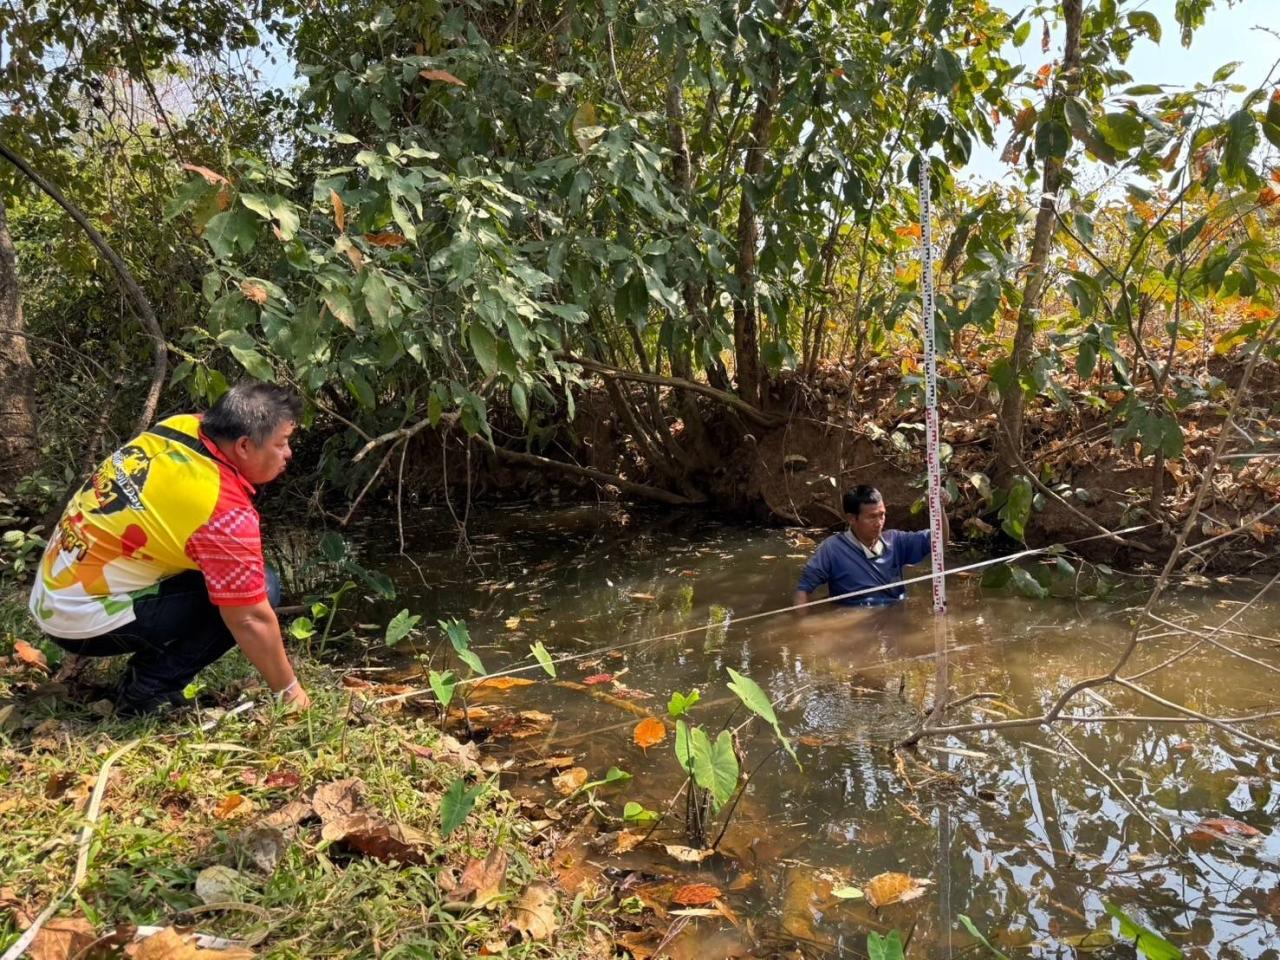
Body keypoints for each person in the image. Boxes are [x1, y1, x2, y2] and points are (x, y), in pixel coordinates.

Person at [28, 381, 312, 715]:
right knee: (261, 588)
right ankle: (148, 688)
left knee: (236, 584)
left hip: (53, 593)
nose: (288, 453)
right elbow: (249, 617)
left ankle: (147, 671)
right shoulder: (222, 511)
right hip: (78, 618)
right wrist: (291, 692)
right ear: (245, 445)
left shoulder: (180, 427)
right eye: (281, 443)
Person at [792, 485, 950, 615]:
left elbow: (939, 541)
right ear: (851, 519)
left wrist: (940, 509)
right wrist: (803, 627)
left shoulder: (896, 541)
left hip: (894, 618)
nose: (879, 522)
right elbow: (803, 590)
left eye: (882, 515)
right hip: (852, 621)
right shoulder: (832, 549)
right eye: (872, 517)